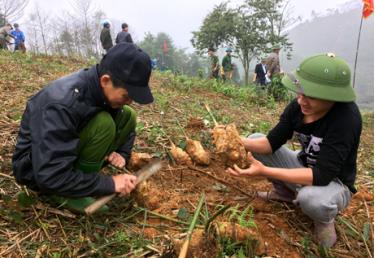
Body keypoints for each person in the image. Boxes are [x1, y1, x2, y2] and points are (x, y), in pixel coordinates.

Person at [227, 53, 362, 248]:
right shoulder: (299, 106)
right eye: (299, 93)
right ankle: (285, 193)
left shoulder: (346, 119)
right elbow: (270, 143)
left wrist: (264, 171)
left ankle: (323, 220)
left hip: (334, 182)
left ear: (333, 96)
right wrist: (234, 139)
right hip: (303, 165)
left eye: (311, 96)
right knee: (255, 140)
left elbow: (322, 175)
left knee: (311, 200)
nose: (301, 101)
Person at [12, 43, 154, 213]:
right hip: (39, 172)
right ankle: (69, 193)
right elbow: (50, 175)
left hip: (62, 154)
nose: (130, 100)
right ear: (105, 81)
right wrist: (110, 183)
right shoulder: (62, 103)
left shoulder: (100, 88)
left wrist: (122, 153)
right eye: (126, 95)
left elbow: (126, 125)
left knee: (127, 114)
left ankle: (84, 179)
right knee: (104, 124)